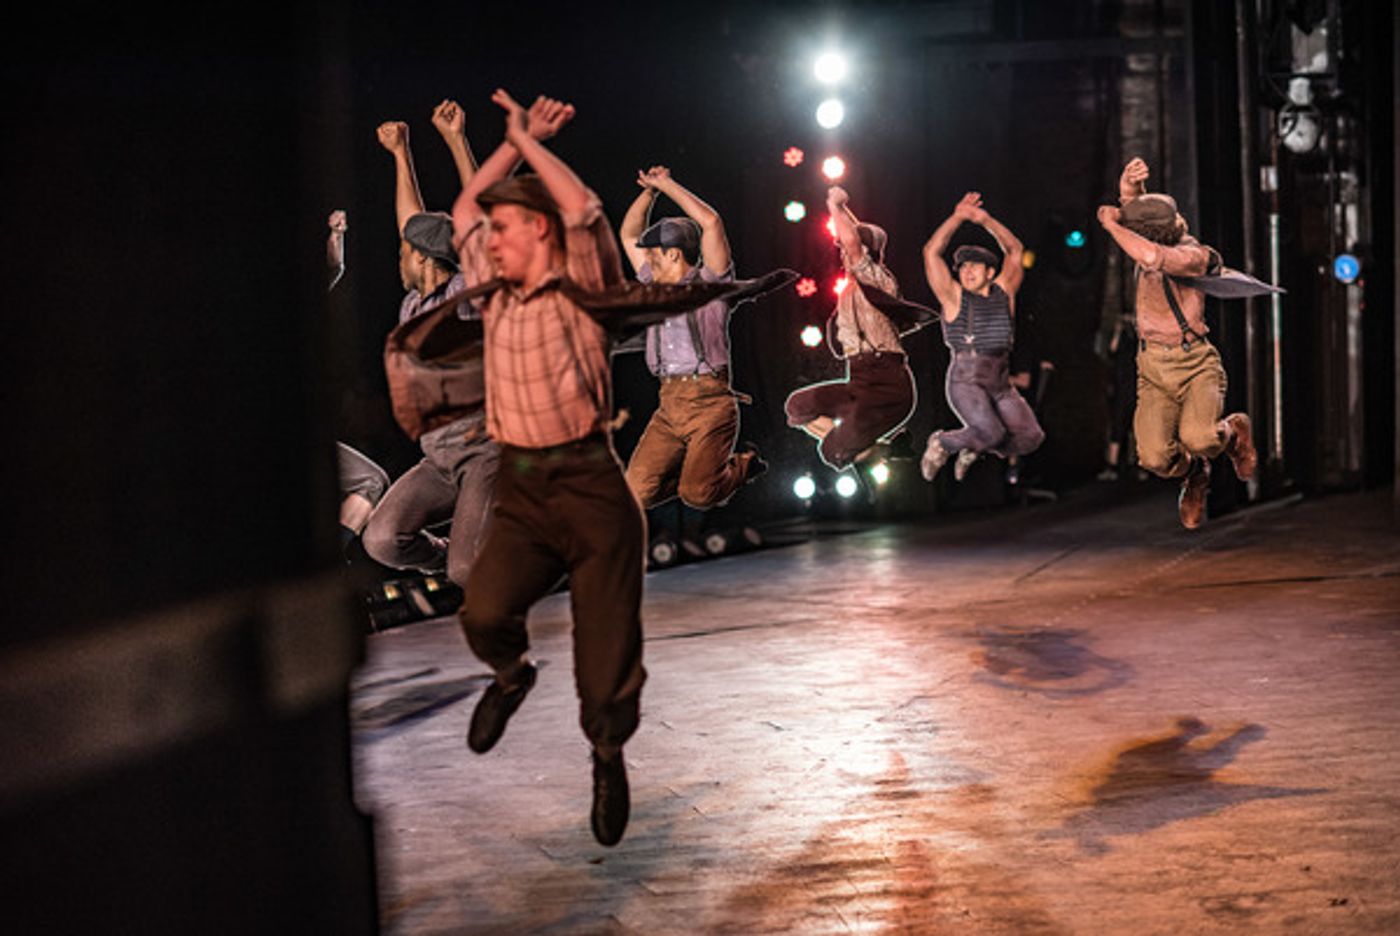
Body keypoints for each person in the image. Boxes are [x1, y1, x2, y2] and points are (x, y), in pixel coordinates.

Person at [450, 89, 643, 847]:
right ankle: (510, 676)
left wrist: (534, 150)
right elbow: (468, 201)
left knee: (605, 669)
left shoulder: (582, 289)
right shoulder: (491, 293)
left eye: (503, 229)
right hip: (524, 487)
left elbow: (585, 206)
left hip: (591, 485)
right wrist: (512, 137)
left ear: (537, 229)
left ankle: (606, 751)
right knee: (484, 611)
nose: (488, 240)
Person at [360, 105, 502, 588]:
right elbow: (412, 224)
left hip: (486, 450)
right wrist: (401, 153)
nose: (399, 254)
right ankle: (469, 555)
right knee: (381, 539)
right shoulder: (413, 302)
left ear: (420, 258)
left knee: (467, 570)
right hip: (438, 456)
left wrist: (457, 141)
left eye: (405, 250)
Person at [1096, 157, 1257, 528]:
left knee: (1200, 437)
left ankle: (1234, 432)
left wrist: (1109, 224)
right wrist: (1128, 188)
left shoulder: (1193, 255)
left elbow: (1152, 254)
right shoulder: (1150, 237)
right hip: (1153, 367)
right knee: (1153, 457)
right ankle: (1195, 475)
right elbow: (1142, 219)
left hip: (1195, 363)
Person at [617, 166, 765, 510]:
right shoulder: (653, 284)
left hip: (710, 405)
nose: (646, 259)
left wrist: (667, 185)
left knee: (697, 494)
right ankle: (691, 477)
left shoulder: (710, 286)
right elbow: (628, 234)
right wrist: (649, 192)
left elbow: (711, 222)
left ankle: (743, 465)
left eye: (652, 253)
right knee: (635, 496)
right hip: (669, 405)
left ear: (672, 254)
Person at [784, 186, 917, 470]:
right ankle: (875, 447)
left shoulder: (879, 278)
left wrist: (834, 206)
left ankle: (865, 449)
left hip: (887, 383)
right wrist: (844, 211)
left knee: (831, 451)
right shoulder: (849, 289)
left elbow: (854, 244)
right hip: (858, 378)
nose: (842, 251)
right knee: (797, 407)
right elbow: (853, 241)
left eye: (847, 246)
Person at [920, 192, 1045, 484]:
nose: (967, 271)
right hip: (966, 379)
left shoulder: (1005, 291)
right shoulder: (953, 297)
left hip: (1000, 381)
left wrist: (985, 220)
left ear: (991, 272)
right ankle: (944, 442)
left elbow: (1015, 250)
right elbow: (930, 252)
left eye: (975, 265)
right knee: (992, 432)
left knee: (1030, 437)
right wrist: (958, 217)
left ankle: (974, 444)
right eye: (963, 266)